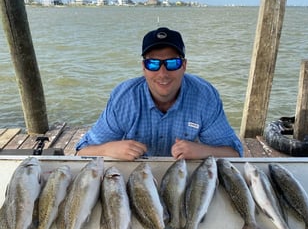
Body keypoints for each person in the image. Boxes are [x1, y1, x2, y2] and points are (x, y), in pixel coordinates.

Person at [76, 27, 243, 160]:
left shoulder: (205, 96)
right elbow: (81, 152)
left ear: (184, 65)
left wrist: (203, 150)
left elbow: (234, 153)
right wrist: (108, 149)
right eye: (153, 64)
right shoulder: (123, 99)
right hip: (134, 175)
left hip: (185, 175)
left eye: (172, 63)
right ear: (143, 67)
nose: (163, 73)